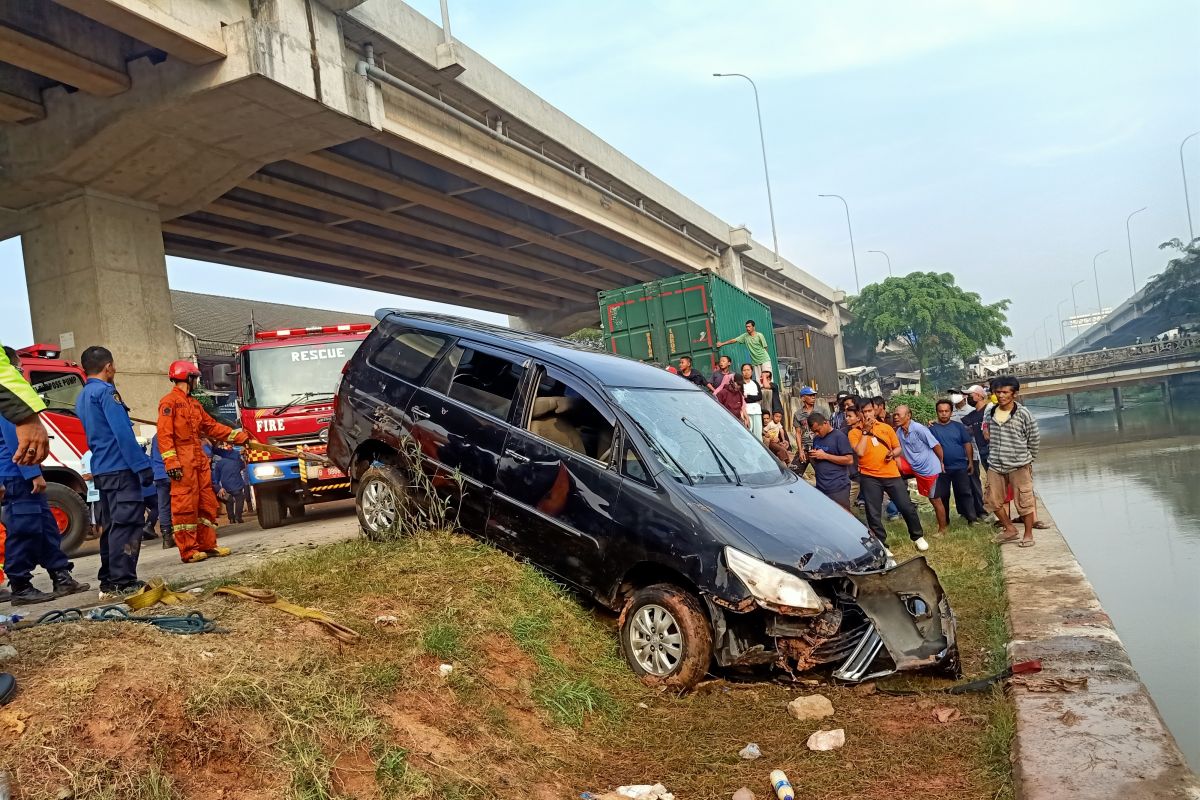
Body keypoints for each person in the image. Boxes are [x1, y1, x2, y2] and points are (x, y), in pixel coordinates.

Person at [0, 347, 90, 605]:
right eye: (16, 368)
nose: (19, 373)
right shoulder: (10, 401)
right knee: (24, 530)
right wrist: (34, 474)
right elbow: (18, 442)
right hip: (17, 473)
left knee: (47, 528)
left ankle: (62, 577)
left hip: (20, 473)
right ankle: (20, 585)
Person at [75, 346, 153, 598]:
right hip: (120, 468)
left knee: (111, 526)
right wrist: (142, 466)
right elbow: (123, 433)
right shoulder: (107, 393)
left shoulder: (84, 395)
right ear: (108, 367)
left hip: (102, 469)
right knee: (128, 524)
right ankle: (122, 580)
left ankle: (109, 579)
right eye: (114, 365)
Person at [158, 360, 253, 563]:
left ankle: (208, 545)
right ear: (188, 378)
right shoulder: (169, 402)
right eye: (195, 378)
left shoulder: (194, 404)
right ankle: (189, 550)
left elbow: (211, 427)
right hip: (182, 463)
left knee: (206, 503)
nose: (196, 382)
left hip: (198, 460)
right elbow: (165, 435)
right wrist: (171, 462)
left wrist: (238, 436)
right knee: (185, 505)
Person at [847, 404, 927, 550]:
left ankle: (917, 536)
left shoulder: (886, 428)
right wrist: (865, 432)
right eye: (864, 412)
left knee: (906, 506)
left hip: (891, 474)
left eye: (869, 411)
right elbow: (860, 452)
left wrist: (893, 453)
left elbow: (897, 447)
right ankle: (881, 544)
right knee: (873, 512)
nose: (867, 415)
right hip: (869, 476)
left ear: (875, 411)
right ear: (859, 415)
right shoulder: (854, 433)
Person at [984, 375, 1041, 547]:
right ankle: (1009, 528)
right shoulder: (990, 412)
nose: (1001, 396)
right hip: (995, 463)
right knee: (991, 500)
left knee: (1024, 501)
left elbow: (1034, 437)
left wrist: (1029, 459)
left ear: (1014, 394)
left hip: (1019, 464)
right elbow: (989, 434)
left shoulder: (1023, 413)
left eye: (1005, 392)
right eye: (997, 392)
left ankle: (1028, 534)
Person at [893, 404, 946, 536]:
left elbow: (936, 446)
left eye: (899, 414)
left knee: (935, 499)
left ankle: (943, 530)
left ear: (908, 416)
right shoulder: (899, 432)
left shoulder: (919, 429)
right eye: (894, 414)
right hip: (917, 469)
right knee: (930, 498)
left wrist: (941, 462)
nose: (895, 417)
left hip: (930, 469)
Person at [929, 399, 979, 527]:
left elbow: (967, 444)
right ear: (937, 412)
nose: (944, 414)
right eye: (941, 411)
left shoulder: (959, 426)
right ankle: (944, 522)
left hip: (960, 466)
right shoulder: (932, 429)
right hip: (941, 469)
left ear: (951, 412)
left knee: (965, 493)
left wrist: (970, 462)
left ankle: (971, 519)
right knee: (943, 495)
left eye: (946, 411)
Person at [0, 343, 49, 467]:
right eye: (19, 369)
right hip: (14, 470)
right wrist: (34, 473)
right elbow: (14, 441)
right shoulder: (8, 407)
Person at [806, 412, 854, 510]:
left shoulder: (839, 437)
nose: (817, 434)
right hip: (821, 486)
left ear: (825, 423)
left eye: (818, 430)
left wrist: (825, 456)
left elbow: (849, 460)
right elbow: (819, 460)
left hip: (838, 487)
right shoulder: (817, 439)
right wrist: (813, 456)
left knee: (842, 517)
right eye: (814, 432)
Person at [961, 384, 990, 519]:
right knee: (991, 481)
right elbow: (960, 428)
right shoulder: (971, 416)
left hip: (993, 450)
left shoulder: (989, 411)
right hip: (982, 452)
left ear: (979, 396)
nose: (968, 398)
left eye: (970, 396)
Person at [212, 444, 248, 524]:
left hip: (225, 486)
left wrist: (219, 488)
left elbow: (215, 478)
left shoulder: (219, 463)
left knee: (229, 500)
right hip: (236, 483)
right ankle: (238, 517)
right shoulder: (237, 460)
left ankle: (231, 519)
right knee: (240, 498)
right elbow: (243, 466)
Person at [149, 435, 173, 547]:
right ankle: (181, 534)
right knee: (179, 503)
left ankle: (166, 538)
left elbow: (152, 457)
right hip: (173, 472)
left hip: (159, 475)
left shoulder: (155, 437)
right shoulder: (171, 432)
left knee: (163, 506)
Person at [790, 387, 819, 472]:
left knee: (823, 475)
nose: (813, 397)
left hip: (818, 448)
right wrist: (800, 450)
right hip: (804, 448)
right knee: (794, 473)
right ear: (803, 398)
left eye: (814, 395)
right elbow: (798, 433)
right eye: (810, 396)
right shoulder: (798, 414)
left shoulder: (821, 411)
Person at [79, 448, 103, 540]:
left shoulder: (92, 454)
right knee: (98, 516)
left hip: (96, 491)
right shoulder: (89, 455)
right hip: (95, 491)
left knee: (97, 514)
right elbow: (86, 476)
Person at [739, 364, 764, 438]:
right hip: (746, 411)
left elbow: (759, 397)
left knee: (758, 434)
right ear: (742, 372)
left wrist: (749, 396)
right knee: (748, 432)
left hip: (756, 410)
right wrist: (751, 398)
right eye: (744, 370)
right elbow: (743, 399)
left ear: (752, 371)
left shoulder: (755, 383)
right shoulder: (740, 384)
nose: (746, 372)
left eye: (748, 370)